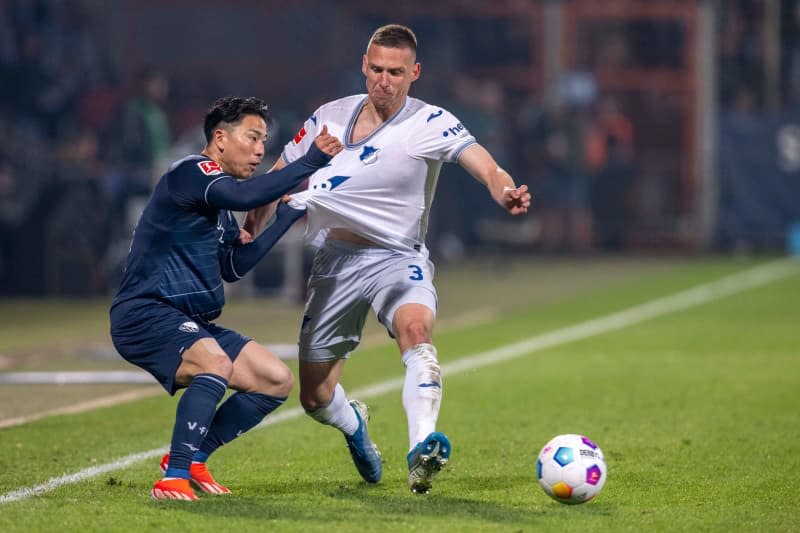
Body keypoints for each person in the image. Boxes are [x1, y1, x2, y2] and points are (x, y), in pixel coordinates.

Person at [245, 24, 531, 494]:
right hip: (335, 263)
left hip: (398, 258)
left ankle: (422, 448)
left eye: (395, 72)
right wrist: (250, 229)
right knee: (315, 397)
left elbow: (483, 162)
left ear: (414, 72)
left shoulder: (430, 122)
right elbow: (278, 179)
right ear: (364, 65)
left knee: (416, 332)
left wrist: (504, 189)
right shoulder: (328, 118)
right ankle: (354, 425)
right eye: (376, 69)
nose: (384, 80)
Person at [110, 96, 343, 501]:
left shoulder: (216, 205)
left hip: (189, 319)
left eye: (263, 141)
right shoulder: (191, 172)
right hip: (146, 313)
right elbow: (244, 197)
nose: (259, 150)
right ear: (219, 138)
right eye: (252, 138)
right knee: (214, 363)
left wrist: (285, 218)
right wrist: (309, 163)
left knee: (275, 381)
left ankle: (194, 457)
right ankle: (173, 478)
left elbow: (235, 266)